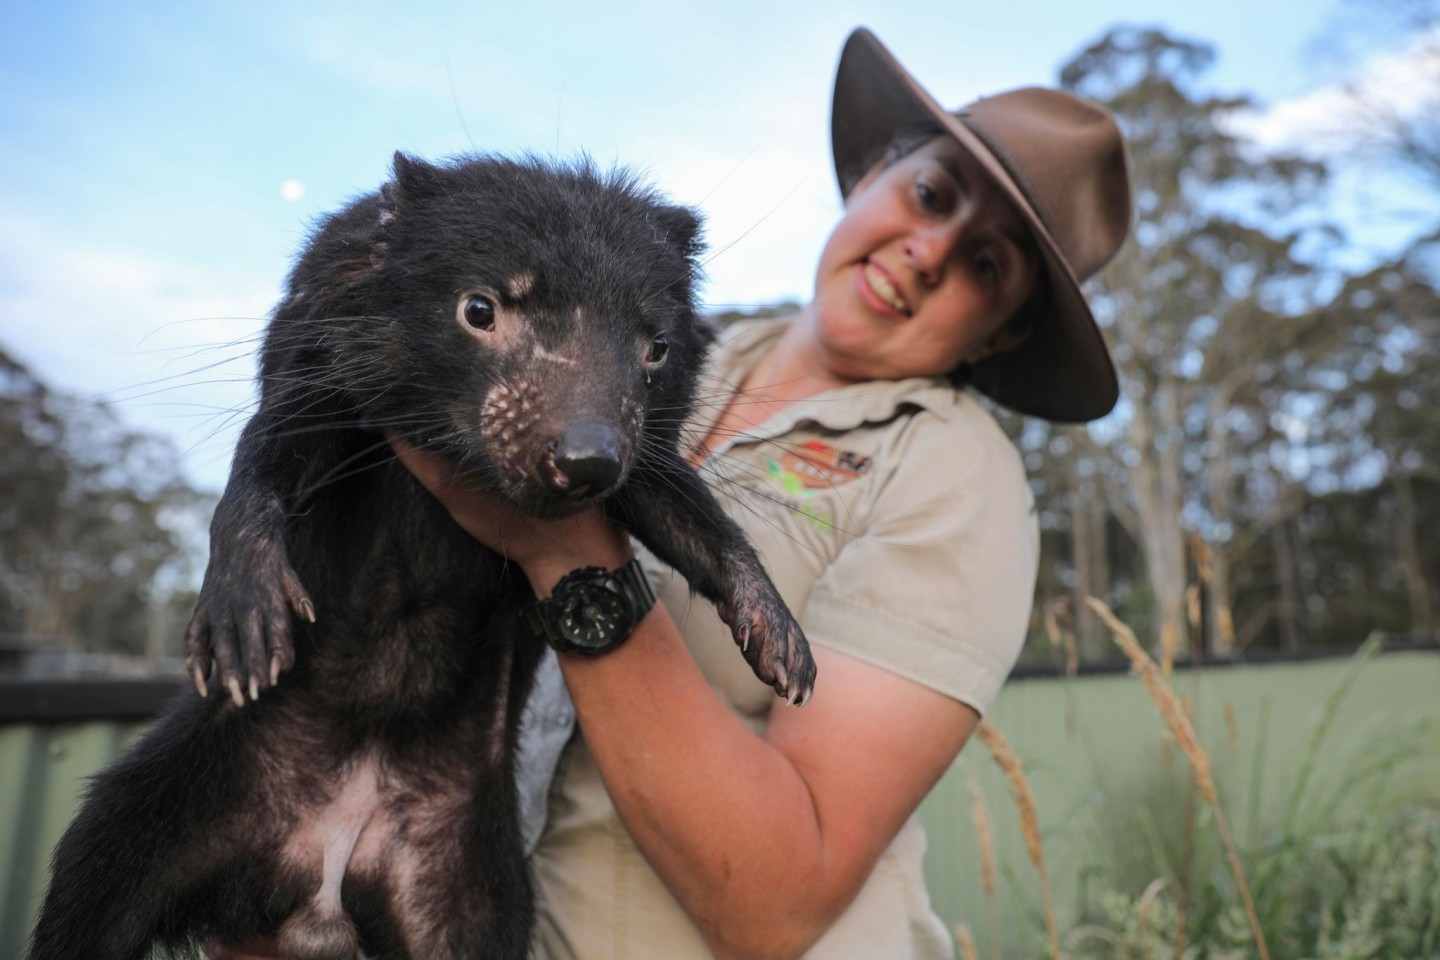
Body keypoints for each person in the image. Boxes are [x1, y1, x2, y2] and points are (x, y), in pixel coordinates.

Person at [216, 25, 1131, 960]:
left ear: (1002, 334)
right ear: (871, 176)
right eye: (932, 193)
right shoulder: (663, 338)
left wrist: (566, 553)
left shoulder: (951, 471)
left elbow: (775, 902)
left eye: (988, 265)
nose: (932, 250)